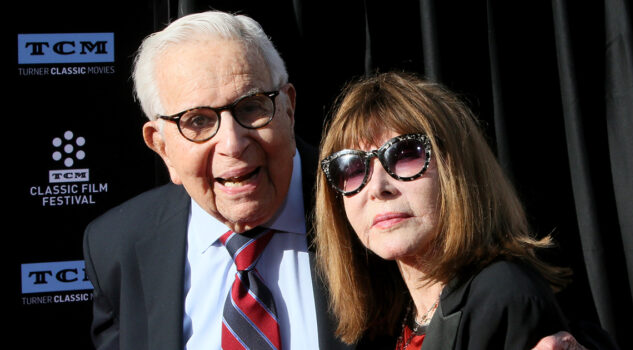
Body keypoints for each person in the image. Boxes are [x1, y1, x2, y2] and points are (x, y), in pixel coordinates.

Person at [82, 10, 584, 350]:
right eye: (197, 121)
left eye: (252, 106)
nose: (232, 144)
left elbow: (524, 310)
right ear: (159, 144)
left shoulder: (374, 211)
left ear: (289, 107)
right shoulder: (119, 249)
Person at [314, 71, 588, 349]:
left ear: (456, 168)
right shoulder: (384, 325)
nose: (377, 187)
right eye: (352, 167)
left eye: (406, 154)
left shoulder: (502, 296)